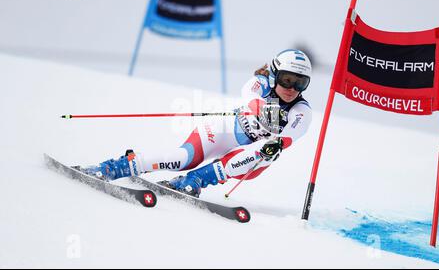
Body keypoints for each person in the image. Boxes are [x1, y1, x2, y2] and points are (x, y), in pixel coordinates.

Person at [83, 49, 313, 197]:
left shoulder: (301, 109)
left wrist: (280, 142)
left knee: (266, 151)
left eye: (301, 83)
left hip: (249, 156)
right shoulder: (260, 83)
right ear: (274, 75)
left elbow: (293, 133)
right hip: (226, 131)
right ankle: (119, 166)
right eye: (287, 79)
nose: (292, 88)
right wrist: (263, 109)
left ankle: (196, 180)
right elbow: (250, 97)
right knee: (183, 158)